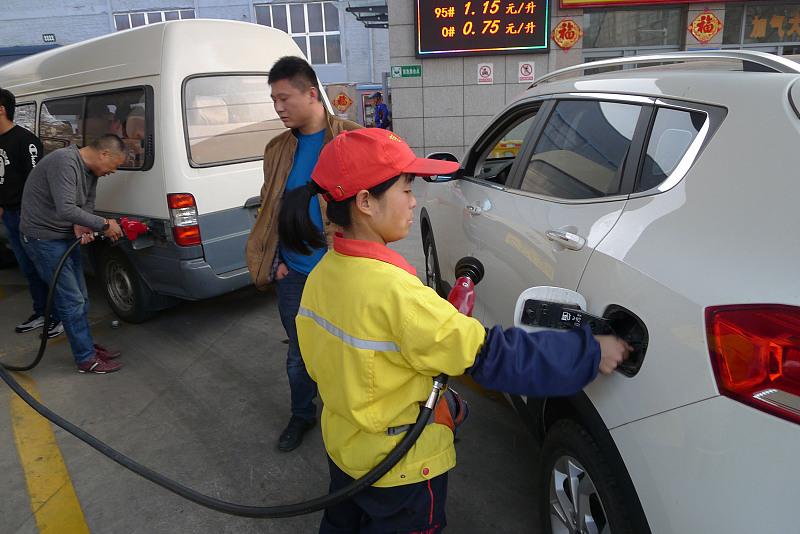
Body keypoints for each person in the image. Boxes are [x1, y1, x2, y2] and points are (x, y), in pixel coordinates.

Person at [278, 128, 632, 533]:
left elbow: (355, 362)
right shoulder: (399, 295)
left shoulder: (322, 276)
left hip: (347, 454)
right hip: (402, 472)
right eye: (405, 189)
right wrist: (590, 352)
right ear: (364, 203)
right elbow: (496, 356)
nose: (414, 202)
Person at [244, 56, 361, 452]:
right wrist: (276, 260)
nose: (277, 108)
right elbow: (270, 206)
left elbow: (374, 206)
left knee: (350, 349)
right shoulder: (277, 149)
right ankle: (302, 414)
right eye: (273, 100)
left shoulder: (350, 138)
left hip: (343, 270)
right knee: (299, 354)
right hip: (293, 273)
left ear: (312, 94)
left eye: (284, 98)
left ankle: (350, 415)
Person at [20, 134, 127, 374]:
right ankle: (85, 359)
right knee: (72, 300)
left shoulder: (91, 171)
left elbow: (86, 204)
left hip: (62, 236)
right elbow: (67, 208)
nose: (114, 171)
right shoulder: (64, 162)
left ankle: (85, 346)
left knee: (81, 297)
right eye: (115, 165)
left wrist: (85, 225)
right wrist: (104, 224)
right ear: (104, 154)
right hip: (44, 239)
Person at [0, 87, 64, 338]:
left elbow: (37, 182)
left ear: (2, 109)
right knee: (27, 268)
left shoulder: (25, 141)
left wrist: (31, 216)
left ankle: (58, 316)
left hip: (30, 219)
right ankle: (41, 313)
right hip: (10, 217)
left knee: (44, 268)